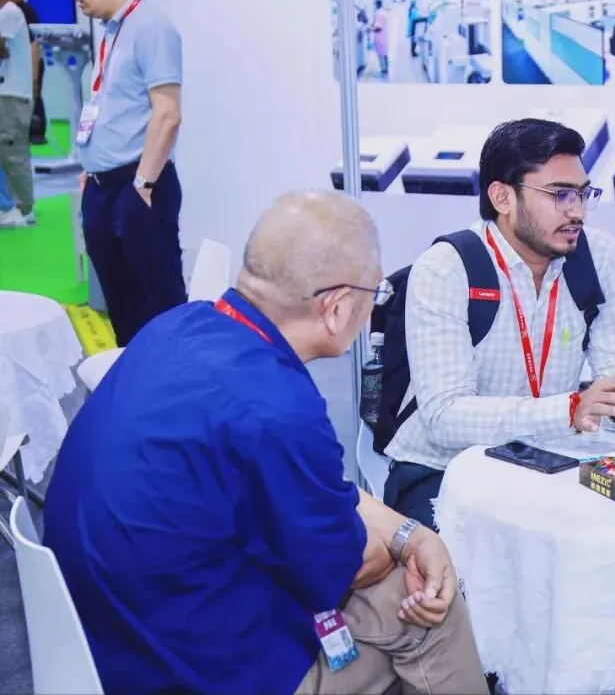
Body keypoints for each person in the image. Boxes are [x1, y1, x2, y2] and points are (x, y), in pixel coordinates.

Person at [43, 191, 489, 695]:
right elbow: (348, 566)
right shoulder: (278, 406)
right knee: (427, 609)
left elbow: (321, 491)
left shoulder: (179, 326)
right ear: (337, 307)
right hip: (193, 670)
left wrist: (411, 533)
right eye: (375, 293)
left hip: (106, 641)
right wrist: (413, 546)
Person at [384, 118, 615, 528]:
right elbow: (445, 418)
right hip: (443, 468)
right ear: (502, 197)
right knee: (478, 560)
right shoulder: (447, 268)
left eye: (583, 194)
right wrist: (569, 409)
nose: (577, 212)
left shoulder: (599, 256)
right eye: (560, 195)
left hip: (552, 462)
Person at [71, 0, 186, 346]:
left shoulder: (151, 26)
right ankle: (135, 378)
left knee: (161, 309)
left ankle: (172, 379)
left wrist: (143, 185)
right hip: (102, 188)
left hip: (136, 189)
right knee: (123, 311)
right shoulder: (112, 30)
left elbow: (167, 114)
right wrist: (93, 166)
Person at [0, 0, 34, 229]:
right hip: (6, 93)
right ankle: (10, 205)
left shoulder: (9, 12)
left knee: (13, 153)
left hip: (12, 95)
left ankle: (24, 209)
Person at [8, 0, 44, 145]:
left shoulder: (25, 12)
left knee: (34, 98)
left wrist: (34, 75)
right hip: (19, 64)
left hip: (31, 61)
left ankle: (37, 133)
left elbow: (34, 43)